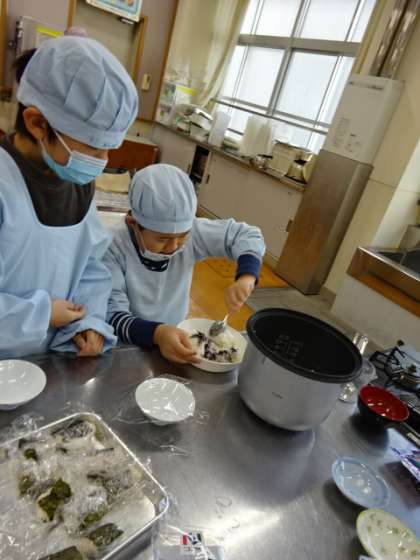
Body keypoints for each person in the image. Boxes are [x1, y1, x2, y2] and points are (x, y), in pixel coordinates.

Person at [0, 36, 138, 359]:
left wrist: (89, 319)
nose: (102, 161)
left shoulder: (77, 183)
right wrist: (41, 314)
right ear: (37, 123)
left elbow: (90, 263)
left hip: (51, 361)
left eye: (108, 148)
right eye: (93, 147)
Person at [104, 163, 265, 363]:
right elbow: (112, 315)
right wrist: (157, 333)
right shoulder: (112, 246)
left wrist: (247, 277)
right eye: (162, 239)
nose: (174, 246)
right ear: (133, 223)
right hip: (130, 341)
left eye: (182, 236)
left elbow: (245, 235)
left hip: (176, 335)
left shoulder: (193, 233)